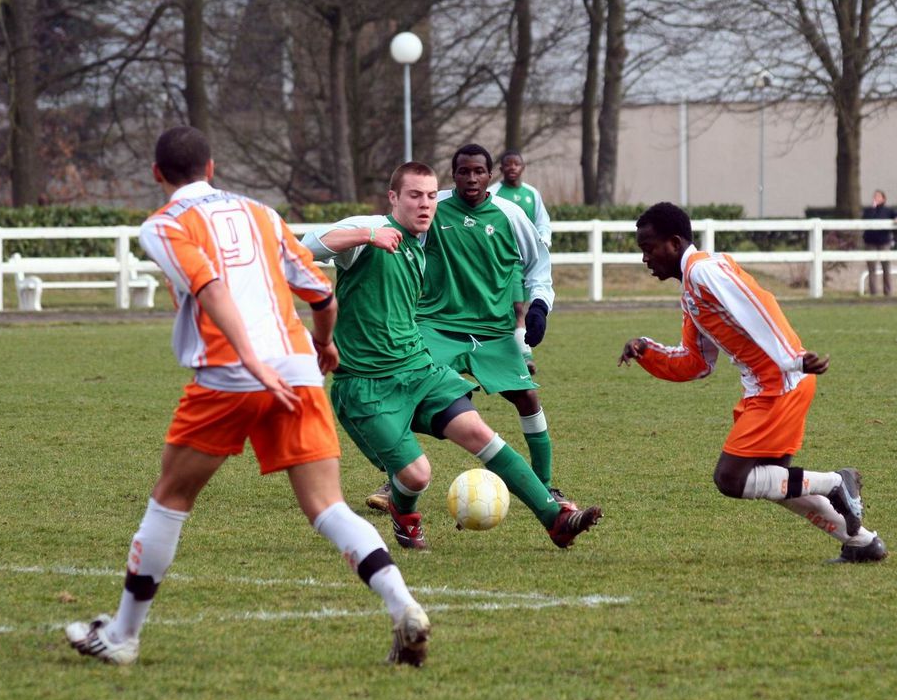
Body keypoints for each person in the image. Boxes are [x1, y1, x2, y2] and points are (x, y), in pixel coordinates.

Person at [65, 126, 430, 668]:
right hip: (299, 369)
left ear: (157, 174)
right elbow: (321, 293)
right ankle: (404, 606)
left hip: (230, 375)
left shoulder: (163, 224)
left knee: (169, 500)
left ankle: (121, 635)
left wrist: (251, 360)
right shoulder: (260, 212)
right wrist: (324, 345)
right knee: (327, 506)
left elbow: (209, 287)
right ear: (212, 168)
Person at [302, 161, 601, 551]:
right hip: (366, 385)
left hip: (418, 369)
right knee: (417, 476)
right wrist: (369, 234)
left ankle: (556, 519)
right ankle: (404, 514)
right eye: (414, 196)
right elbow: (303, 247)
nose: (425, 205)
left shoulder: (422, 242)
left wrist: (535, 303)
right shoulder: (369, 233)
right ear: (394, 197)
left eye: (430, 196)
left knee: (479, 432)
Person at [619, 202, 887, 564]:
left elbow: (758, 305)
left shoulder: (704, 272)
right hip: (772, 384)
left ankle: (836, 482)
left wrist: (792, 357)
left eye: (648, 248)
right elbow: (696, 363)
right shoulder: (693, 290)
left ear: (675, 242)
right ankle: (862, 542)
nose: (645, 259)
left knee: (731, 479)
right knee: (775, 482)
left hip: (779, 384)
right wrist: (646, 351)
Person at [488, 149, 553, 374]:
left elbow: (543, 222)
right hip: (505, 260)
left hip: (528, 258)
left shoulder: (531, 194)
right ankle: (525, 356)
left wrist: (543, 240)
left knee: (518, 308)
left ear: (523, 167)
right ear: (501, 169)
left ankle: (511, 351)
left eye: (517, 164)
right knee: (517, 308)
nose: (513, 168)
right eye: (509, 164)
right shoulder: (493, 193)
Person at [862, 190, 897, 296]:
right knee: (871, 268)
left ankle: (888, 292)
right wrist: (873, 209)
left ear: (884, 199)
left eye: (878, 196)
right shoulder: (868, 211)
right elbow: (865, 219)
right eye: (875, 196)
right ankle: (873, 293)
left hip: (883, 242)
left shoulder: (888, 211)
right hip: (870, 242)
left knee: (886, 267)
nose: (876, 198)